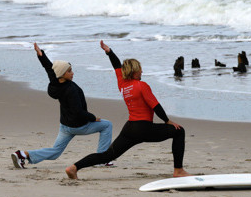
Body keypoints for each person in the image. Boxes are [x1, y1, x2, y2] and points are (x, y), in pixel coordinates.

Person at [64, 41, 191, 179]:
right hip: (144, 128)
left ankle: (74, 167)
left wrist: (109, 52)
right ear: (135, 71)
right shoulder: (142, 86)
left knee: (108, 155)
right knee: (179, 131)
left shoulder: (123, 85)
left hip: (130, 128)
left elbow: (116, 66)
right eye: (140, 69)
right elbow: (156, 106)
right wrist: (168, 121)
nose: (142, 71)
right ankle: (178, 170)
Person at [11, 42, 113, 169]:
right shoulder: (71, 90)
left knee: (55, 152)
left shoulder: (55, 81)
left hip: (65, 126)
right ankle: (101, 159)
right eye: (69, 71)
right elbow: (78, 112)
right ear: (63, 73)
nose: (72, 73)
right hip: (78, 125)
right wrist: (93, 118)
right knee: (107, 125)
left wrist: (41, 55)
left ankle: (22, 155)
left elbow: (49, 68)